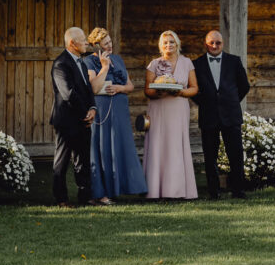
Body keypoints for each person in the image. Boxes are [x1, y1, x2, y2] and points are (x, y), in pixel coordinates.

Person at [83, 27, 147, 204]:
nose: (110, 46)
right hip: (101, 111)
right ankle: (99, 193)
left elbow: (130, 86)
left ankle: (116, 189)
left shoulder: (118, 59)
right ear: (96, 46)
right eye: (105, 44)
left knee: (118, 148)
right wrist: (104, 68)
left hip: (119, 111)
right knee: (102, 149)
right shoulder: (89, 62)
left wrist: (120, 88)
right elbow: (94, 88)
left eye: (110, 42)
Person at [192, 29, 251, 199]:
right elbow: (194, 89)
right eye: (211, 42)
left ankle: (238, 190)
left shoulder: (234, 61)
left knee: (236, 154)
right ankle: (214, 191)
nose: (215, 46)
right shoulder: (197, 64)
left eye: (218, 43)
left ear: (222, 44)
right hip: (208, 115)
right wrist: (205, 102)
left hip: (231, 114)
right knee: (210, 156)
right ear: (206, 44)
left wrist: (231, 101)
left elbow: (244, 86)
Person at [143, 30, 199, 199]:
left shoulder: (187, 63)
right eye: (165, 42)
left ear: (177, 44)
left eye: (172, 42)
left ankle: (178, 190)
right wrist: (159, 92)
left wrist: (181, 93)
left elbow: (194, 88)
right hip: (159, 109)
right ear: (161, 45)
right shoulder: (154, 64)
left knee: (176, 146)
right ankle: (155, 190)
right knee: (158, 145)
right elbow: (147, 90)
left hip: (178, 109)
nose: (169, 45)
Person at [50, 26, 97, 208]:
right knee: (61, 161)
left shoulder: (82, 63)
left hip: (84, 119)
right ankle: (61, 199)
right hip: (66, 120)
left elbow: (88, 89)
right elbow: (68, 93)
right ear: (72, 43)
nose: (87, 42)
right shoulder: (60, 64)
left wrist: (92, 108)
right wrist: (86, 111)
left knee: (83, 160)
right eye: (83, 39)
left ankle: (85, 197)